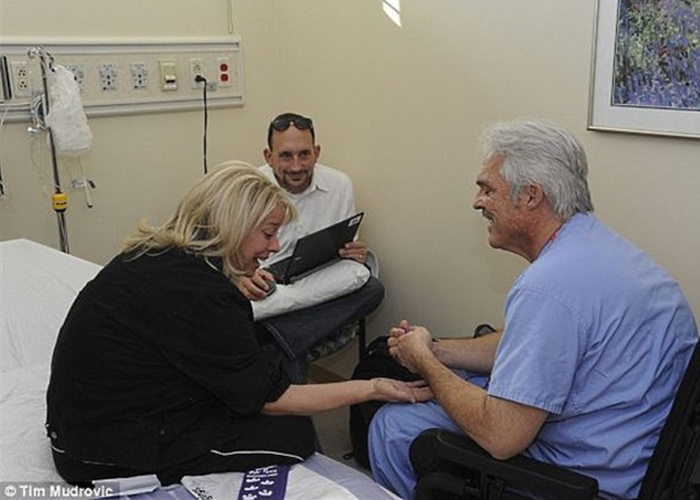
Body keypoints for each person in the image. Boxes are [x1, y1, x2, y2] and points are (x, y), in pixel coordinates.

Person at [367, 119, 698, 500]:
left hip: (583, 480)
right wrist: (438, 350)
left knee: (394, 426)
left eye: (487, 189)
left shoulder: (549, 286)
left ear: (530, 196)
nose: (477, 202)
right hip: (633, 454)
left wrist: (427, 364)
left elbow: (501, 438)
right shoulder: (601, 250)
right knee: (463, 382)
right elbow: (534, 344)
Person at [46, 162, 431, 487]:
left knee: (258, 379)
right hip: (99, 452)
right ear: (232, 223)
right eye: (267, 232)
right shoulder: (201, 292)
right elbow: (273, 399)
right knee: (292, 433)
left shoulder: (160, 254)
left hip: (86, 421)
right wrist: (373, 387)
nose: (275, 246)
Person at [236, 113, 384, 379]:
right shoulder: (248, 189)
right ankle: (289, 341)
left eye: (304, 155)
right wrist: (240, 277)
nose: (296, 166)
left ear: (317, 152)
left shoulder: (340, 185)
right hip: (268, 282)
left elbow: (346, 250)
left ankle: (280, 336)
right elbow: (228, 257)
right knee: (291, 350)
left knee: (372, 288)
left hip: (314, 276)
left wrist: (354, 256)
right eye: (285, 156)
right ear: (268, 156)